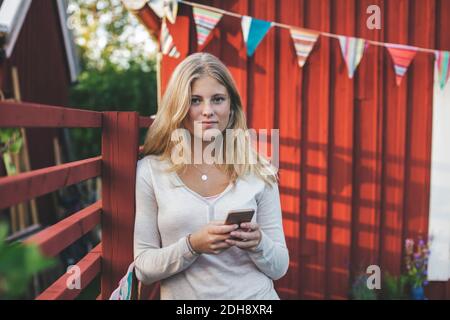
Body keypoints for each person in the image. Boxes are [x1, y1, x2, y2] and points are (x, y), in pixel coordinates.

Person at [134, 52, 289, 299]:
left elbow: (280, 266)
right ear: (178, 107)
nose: (208, 111)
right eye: (195, 100)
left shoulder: (259, 171)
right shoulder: (151, 171)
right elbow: (144, 267)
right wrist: (192, 246)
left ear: (231, 106)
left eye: (218, 99)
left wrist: (259, 243)